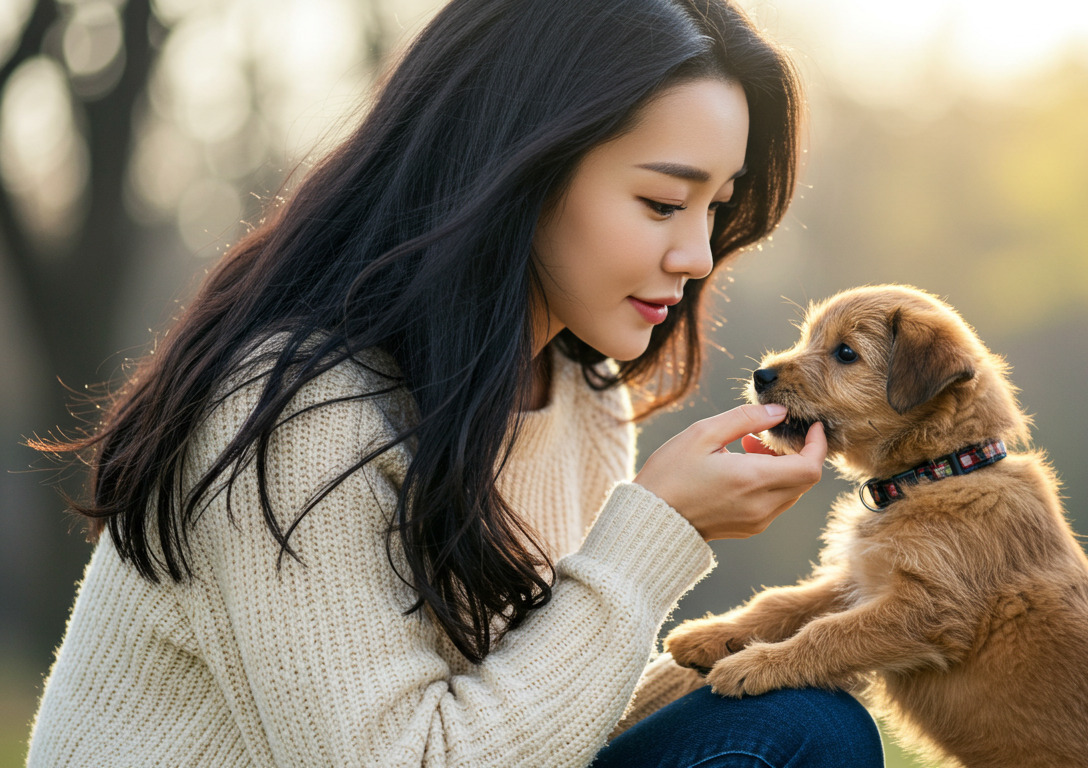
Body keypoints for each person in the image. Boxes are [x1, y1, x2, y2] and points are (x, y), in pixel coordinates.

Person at [26, 0, 886, 765]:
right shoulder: (297, 411)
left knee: (805, 719)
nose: (696, 256)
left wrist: (782, 637)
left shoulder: (581, 401)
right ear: (520, 169)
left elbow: (540, 725)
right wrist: (652, 536)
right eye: (663, 203)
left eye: (717, 208)